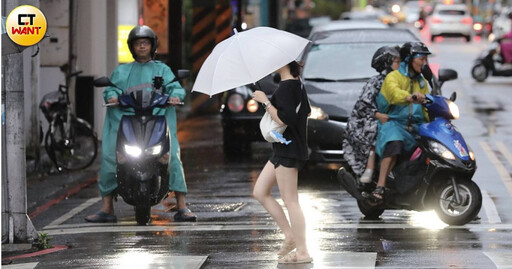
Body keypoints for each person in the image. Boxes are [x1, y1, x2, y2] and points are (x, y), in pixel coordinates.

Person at [85, 25, 196, 223]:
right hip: (126, 121)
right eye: (138, 43)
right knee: (111, 157)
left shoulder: (162, 69)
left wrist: (175, 97)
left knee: (172, 158)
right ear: (132, 47)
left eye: (145, 43)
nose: (142, 47)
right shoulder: (122, 70)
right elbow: (111, 89)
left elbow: (176, 88)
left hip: (156, 120)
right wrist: (112, 97)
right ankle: (107, 207)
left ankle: (182, 205)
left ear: (152, 45)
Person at [252, 61, 313, 264]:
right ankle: (290, 236)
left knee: (290, 200)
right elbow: (306, 112)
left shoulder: (288, 87)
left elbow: (283, 119)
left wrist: (265, 102)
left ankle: (302, 251)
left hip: (289, 149)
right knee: (260, 191)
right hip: (284, 148)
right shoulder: (296, 84)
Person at [365, 42, 431, 204]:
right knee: (394, 142)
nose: (425, 63)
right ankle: (380, 186)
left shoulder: (422, 82)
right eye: (421, 59)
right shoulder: (393, 77)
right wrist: (410, 97)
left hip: (415, 127)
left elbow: (428, 103)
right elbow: (394, 94)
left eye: (425, 59)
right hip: (393, 123)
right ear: (409, 59)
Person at [342, 46, 400, 183]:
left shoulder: (401, 81)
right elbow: (363, 106)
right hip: (367, 120)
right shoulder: (375, 82)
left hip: (393, 119)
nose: (399, 65)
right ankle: (370, 167)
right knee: (375, 129)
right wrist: (377, 115)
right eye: (396, 62)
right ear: (387, 64)